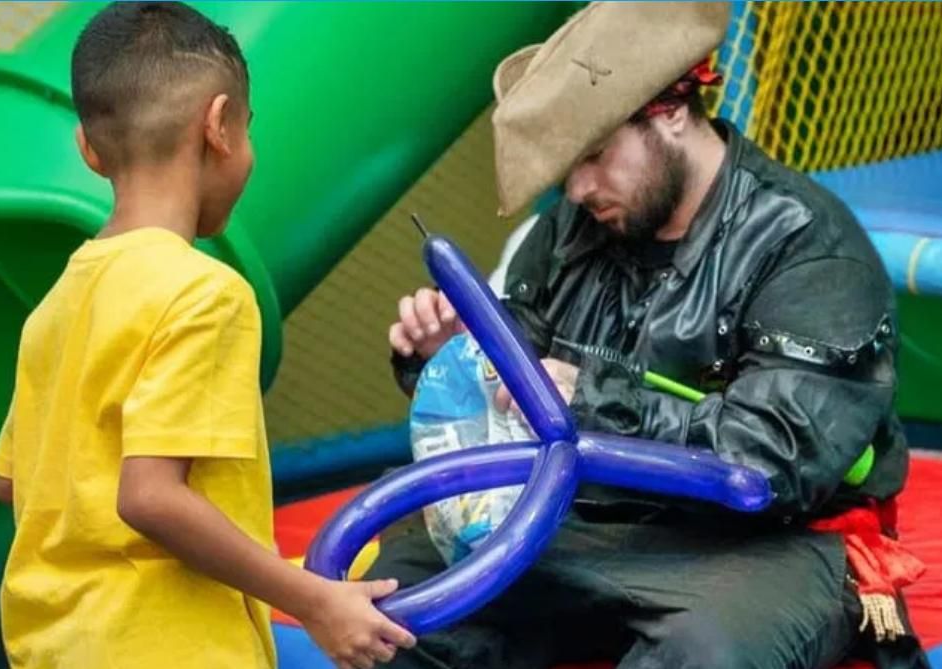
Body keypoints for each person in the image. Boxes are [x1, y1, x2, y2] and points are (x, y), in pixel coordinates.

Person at [377, 2, 927, 668]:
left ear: (668, 111)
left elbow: (776, 462)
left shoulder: (809, 248)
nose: (576, 190)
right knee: (399, 600)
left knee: (707, 651)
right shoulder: (573, 233)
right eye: (566, 169)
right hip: (587, 518)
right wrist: (455, 355)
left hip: (763, 542)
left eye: (595, 157)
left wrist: (588, 399)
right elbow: (514, 373)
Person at [0, 4, 416, 668]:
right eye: (247, 130)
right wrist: (316, 600)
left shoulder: (55, 304)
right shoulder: (205, 292)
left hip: (51, 647)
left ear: (88, 149)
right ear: (218, 126)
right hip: (171, 648)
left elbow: (11, 483)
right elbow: (150, 495)